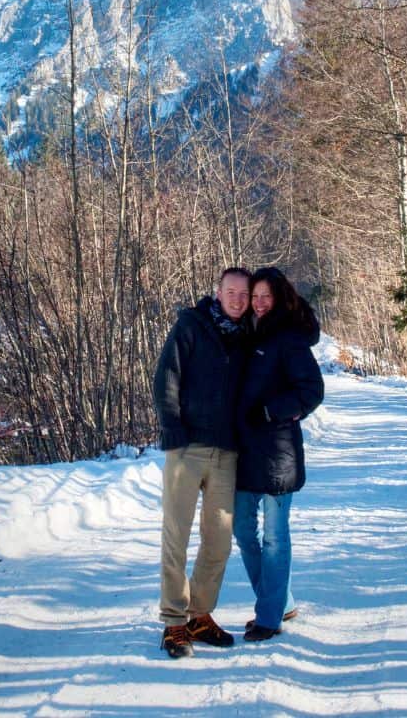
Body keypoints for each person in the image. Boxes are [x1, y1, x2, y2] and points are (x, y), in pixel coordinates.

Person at [152, 267, 252, 658]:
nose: (239, 300)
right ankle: (174, 623)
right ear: (218, 292)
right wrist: (171, 427)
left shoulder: (248, 336)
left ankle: (199, 615)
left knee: (219, 541)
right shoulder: (192, 325)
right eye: (232, 292)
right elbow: (166, 377)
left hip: (227, 452)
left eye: (244, 294)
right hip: (187, 448)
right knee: (176, 537)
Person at [233, 266, 324, 642]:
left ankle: (269, 617)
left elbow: (312, 391)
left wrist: (272, 410)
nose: (259, 303)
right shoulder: (244, 334)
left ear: (281, 298)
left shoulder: (288, 339)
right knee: (241, 529)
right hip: (243, 451)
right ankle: (280, 600)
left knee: (273, 536)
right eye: (255, 297)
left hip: (277, 452)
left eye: (266, 296)